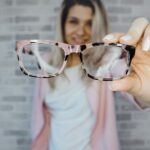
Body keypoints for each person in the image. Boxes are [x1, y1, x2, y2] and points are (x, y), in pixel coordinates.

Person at [30, 0, 150, 150]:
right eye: (74, 22)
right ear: (62, 24)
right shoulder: (47, 62)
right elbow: (40, 120)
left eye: (89, 23)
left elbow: (140, 91)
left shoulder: (106, 62)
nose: (81, 31)